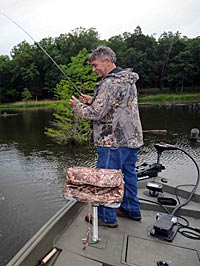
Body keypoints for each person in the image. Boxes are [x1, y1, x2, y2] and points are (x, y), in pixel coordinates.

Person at [69, 45, 143, 228]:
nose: (94, 69)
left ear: (107, 60)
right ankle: (130, 209)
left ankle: (106, 217)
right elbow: (115, 106)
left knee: (106, 179)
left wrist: (77, 106)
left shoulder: (110, 83)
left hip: (112, 141)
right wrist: (93, 100)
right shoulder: (126, 80)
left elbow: (95, 113)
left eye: (95, 65)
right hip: (131, 139)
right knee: (128, 175)